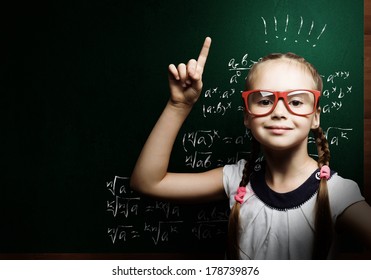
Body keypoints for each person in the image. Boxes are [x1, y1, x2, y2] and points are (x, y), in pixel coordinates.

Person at [130, 37, 371, 259]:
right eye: (265, 100)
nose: (279, 111)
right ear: (247, 116)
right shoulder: (237, 180)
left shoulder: (338, 193)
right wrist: (179, 105)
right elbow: (148, 182)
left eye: (296, 101)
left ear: (315, 116)